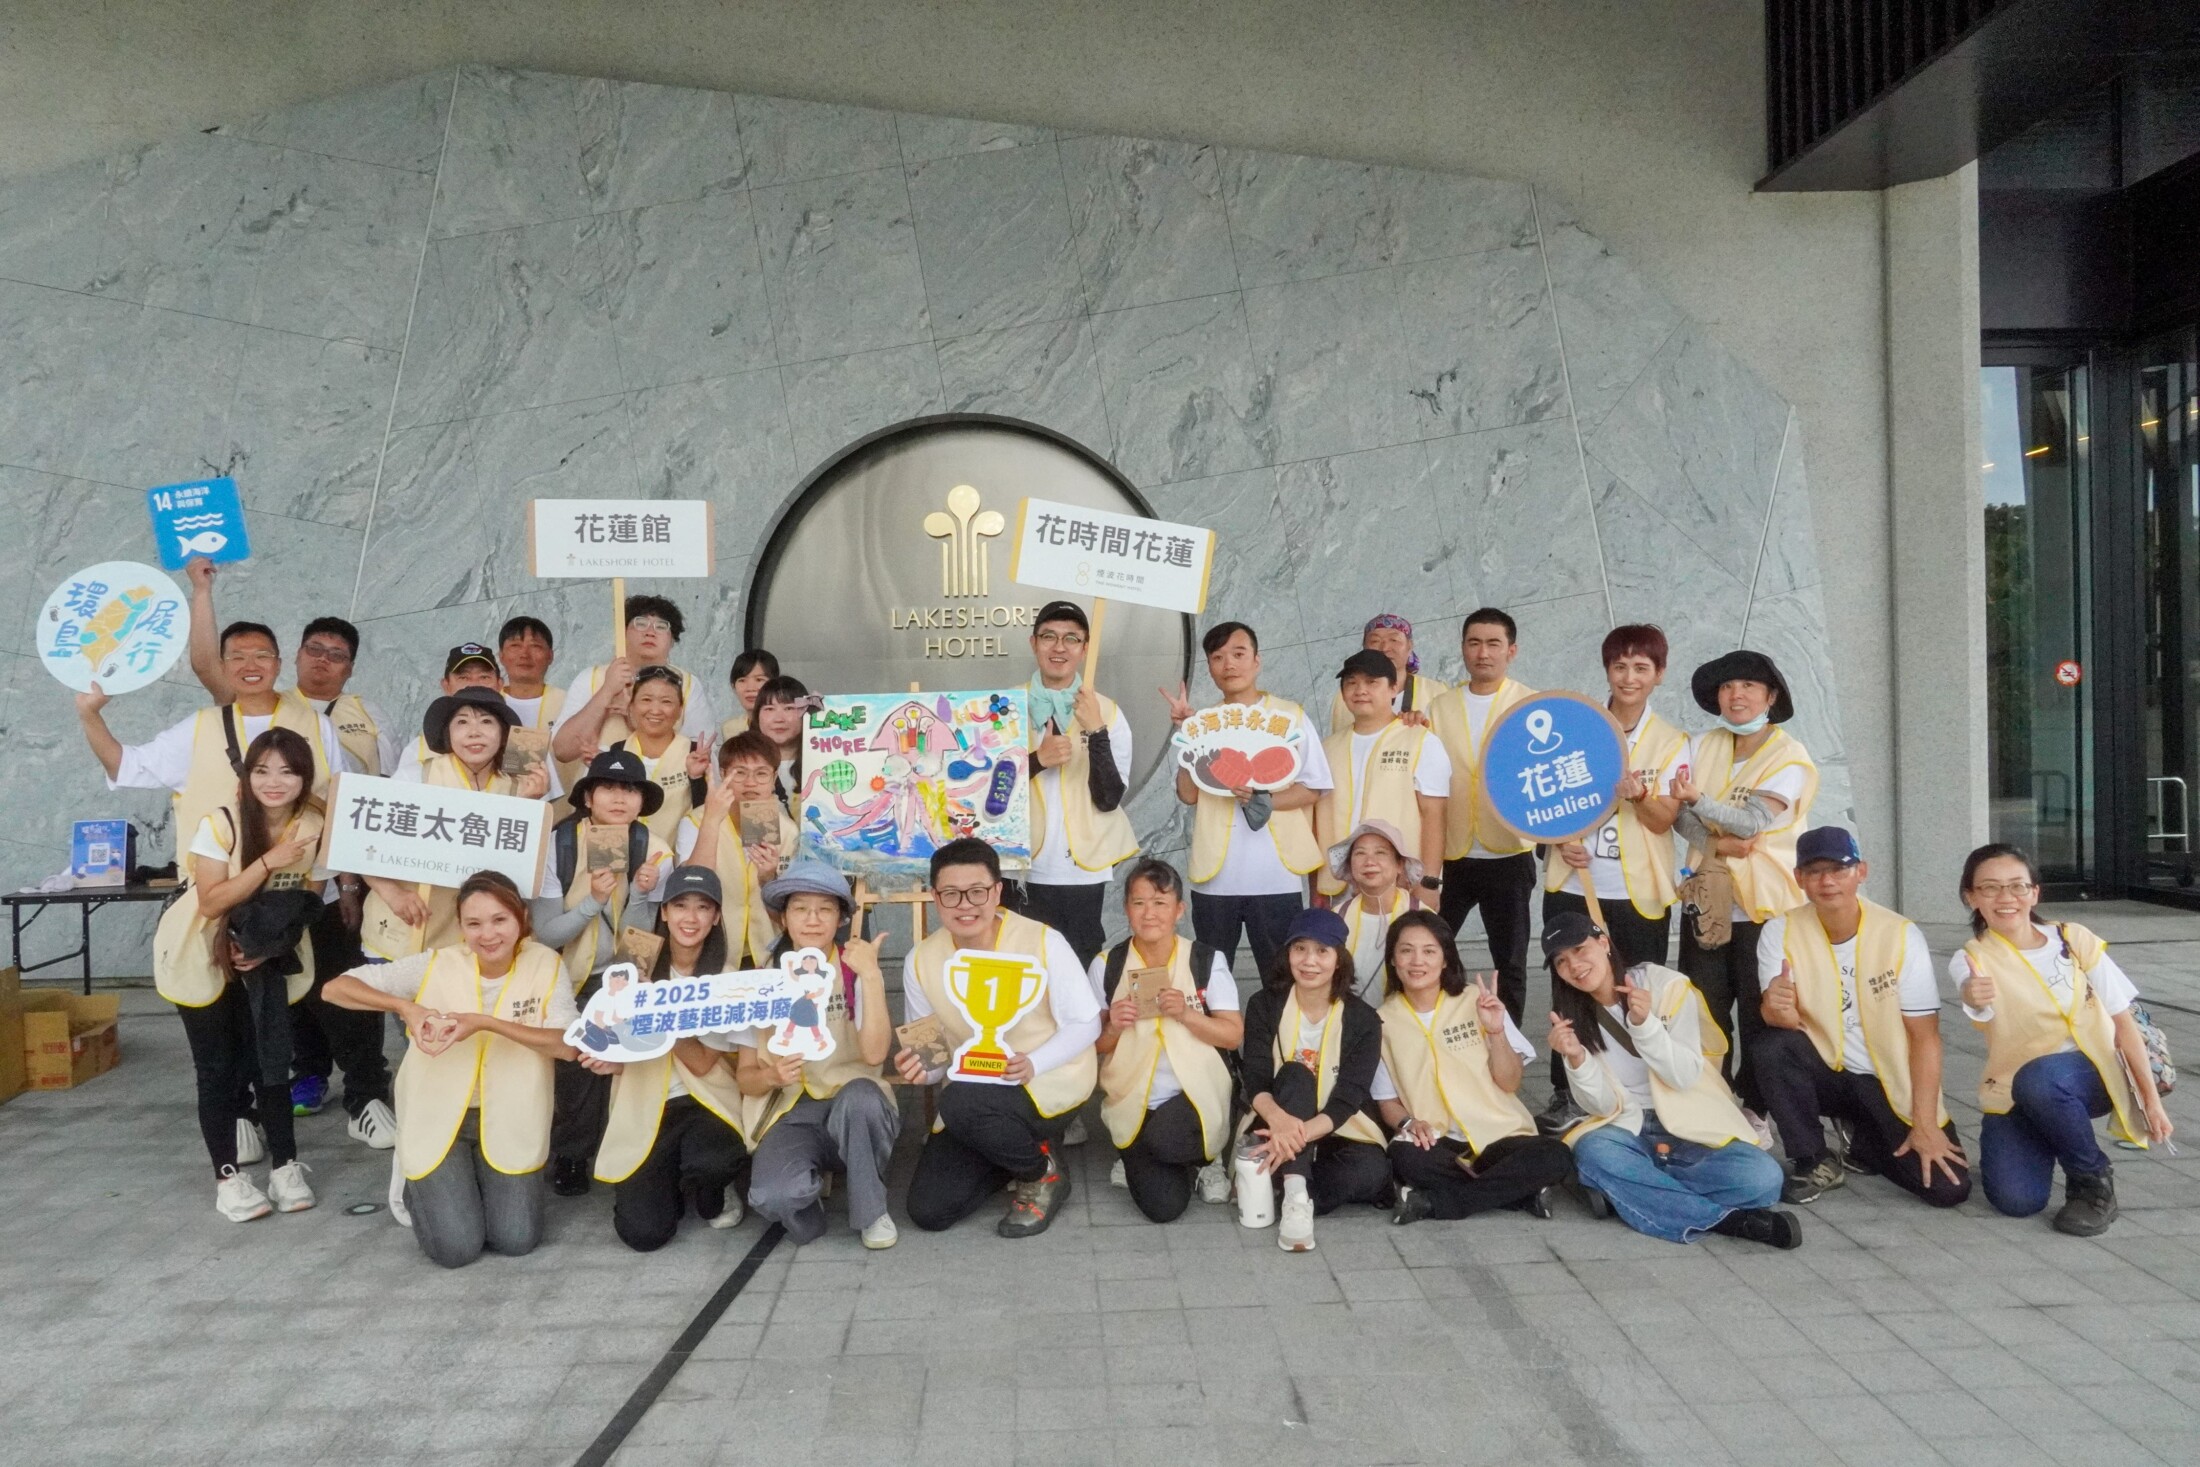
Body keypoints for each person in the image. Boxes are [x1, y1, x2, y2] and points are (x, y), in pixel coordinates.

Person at [173, 558, 397, 1128]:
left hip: (319, 882)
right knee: (277, 994)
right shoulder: (255, 703)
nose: (324, 660)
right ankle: (299, 1081)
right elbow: (205, 662)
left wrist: (351, 883)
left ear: (351, 666)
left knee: (341, 987)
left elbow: (352, 803)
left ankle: (367, 1096)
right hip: (250, 888)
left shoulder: (361, 716)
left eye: (337, 654)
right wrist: (201, 590)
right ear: (291, 657)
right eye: (313, 650)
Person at [323, 872, 577, 1268]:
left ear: (522, 918)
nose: (487, 934)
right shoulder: (436, 962)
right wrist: (405, 1007)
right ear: (460, 926)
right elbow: (334, 989)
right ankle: (420, 1184)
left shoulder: (546, 964)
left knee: (516, 1240)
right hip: (438, 1120)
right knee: (457, 1249)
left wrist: (486, 1023)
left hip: (511, 1120)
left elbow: (566, 1045)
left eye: (499, 920)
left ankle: (463, 1186)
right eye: (474, 923)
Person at [1542, 910, 1800, 1248]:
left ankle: (1633, 1188)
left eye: (1580, 950)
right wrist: (1576, 1059)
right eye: (1561, 961)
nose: (1574, 966)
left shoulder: (1666, 986)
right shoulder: (1570, 1014)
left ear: (1603, 943)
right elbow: (1601, 1106)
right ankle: (1732, 1222)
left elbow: (1683, 1075)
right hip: (1625, 1129)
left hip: (1689, 1125)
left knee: (1763, 1178)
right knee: (1593, 1152)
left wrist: (1645, 1025)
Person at [151, 727, 326, 1221]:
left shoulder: (314, 824)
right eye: (262, 770)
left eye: (288, 771)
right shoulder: (221, 822)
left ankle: (285, 1167)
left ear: (304, 778)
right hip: (200, 953)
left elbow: (307, 899)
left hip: (266, 957)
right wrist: (269, 861)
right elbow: (212, 901)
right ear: (246, 776)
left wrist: (269, 948)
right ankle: (227, 1178)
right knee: (217, 1070)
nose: (274, 782)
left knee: (271, 1062)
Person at [1953, 844, 2175, 1234]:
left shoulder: (2074, 940)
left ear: (2034, 893)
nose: (2006, 897)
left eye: (2017, 886)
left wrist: (2151, 1102)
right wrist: (1972, 994)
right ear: (1971, 897)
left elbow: (2123, 1023)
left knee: (2041, 1080)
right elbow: (1972, 992)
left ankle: (2091, 1181)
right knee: (2016, 1200)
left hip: (2092, 1073)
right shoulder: (1972, 958)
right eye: (1990, 888)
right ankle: (2050, 1130)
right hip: (2014, 1087)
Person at [1755, 828, 1970, 1208]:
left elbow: (1925, 1037)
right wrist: (1774, 1007)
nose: (1827, 881)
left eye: (1839, 869)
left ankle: (1865, 1142)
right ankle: (1814, 1159)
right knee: (1771, 1047)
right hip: (1827, 1070)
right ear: (1798, 878)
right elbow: (1779, 1020)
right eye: (1814, 871)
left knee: (1947, 1189)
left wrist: (1924, 1125)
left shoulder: (1900, 935)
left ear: (1861, 872)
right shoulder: (1780, 932)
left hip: (1887, 1080)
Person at [895, 838, 1098, 1238]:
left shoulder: (1043, 941)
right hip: (974, 1093)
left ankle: (1041, 1174)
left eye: (977, 891)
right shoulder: (920, 960)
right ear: (935, 897)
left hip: (1045, 1079)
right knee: (929, 1210)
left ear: (997, 891)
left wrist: (1034, 1063)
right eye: (951, 894)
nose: (965, 905)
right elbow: (932, 1057)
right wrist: (920, 1068)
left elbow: (1086, 1023)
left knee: (960, 1100)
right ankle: (1016, 1153)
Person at [1538, 623, 1687, 1126]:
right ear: (1606, 670)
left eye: (1641, 667)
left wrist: (1640, 795)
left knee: (1636, 988)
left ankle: (1645, 1091)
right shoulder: (1576, 728)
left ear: (1659, 674)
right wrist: (1557, 840)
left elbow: (1665, 820)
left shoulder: (1671, 742)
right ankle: (1568, 1091)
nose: (1629, 677)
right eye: (1619, 666)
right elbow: (1539, 799)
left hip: (1637, 891)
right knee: (1570, 988)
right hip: (1572, 886)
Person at [77, 615, 340, 875]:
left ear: (278, 664)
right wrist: (90, 714)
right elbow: (123, 765)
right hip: (213, 890)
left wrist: (347, 884)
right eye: (237, 657)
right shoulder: (200, 726)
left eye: (262, 656)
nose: (250, 666)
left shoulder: (317, 725)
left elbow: (343, 804)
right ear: (223, 667)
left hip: (299, 886)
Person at [1672, 651, 1819, 1107]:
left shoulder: (1789, 756)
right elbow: (1677, 815)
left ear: (1770, 697)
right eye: (1727, 686)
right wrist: (1716, 843)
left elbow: (1752, 822)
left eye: (1749, 686)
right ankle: (1712, 1103)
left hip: (1765, 907)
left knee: (1760, 1013)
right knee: (1703, 1010)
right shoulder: (1700, 744)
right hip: (1707, 902)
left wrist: (1699, 800)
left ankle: (1756, 1108)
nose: (1736, 695)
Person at [586, 866, 754, 1250]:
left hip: (704, 1103)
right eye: (680, 906)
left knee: (713, 1159)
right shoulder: (634, 965)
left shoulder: (725, 978)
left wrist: (657, 1013)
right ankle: (671, 1184)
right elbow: (615, 1038)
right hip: (643, 1104)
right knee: (644, 1234)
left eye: (703, 907)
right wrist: (610, 1059)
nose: (690, 918)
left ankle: (713, 1189)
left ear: (716, 917)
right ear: (663, 912)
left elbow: (702, 1062)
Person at [1372, 912, 1574, 1224]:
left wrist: (1496, 1031)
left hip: (1500, 1134)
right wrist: (1409, 1123)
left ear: (1445, 960)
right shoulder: (1381, 1022)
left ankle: (1434, 1203)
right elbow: (1387, 1101)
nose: (1417, 961)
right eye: (1406, 950)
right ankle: (1519, 1192)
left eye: (1429, 951)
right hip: (1438, 1142)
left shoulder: (1478, 1000)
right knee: (1403, 1157)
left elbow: (1510, 1082)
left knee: (1555, 1155)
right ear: (1393, 959)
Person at [740, 862, 901, 1248]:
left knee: (860, 1098)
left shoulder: (854, 968)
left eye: (825, 909)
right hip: (791, 1110)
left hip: (854, 1106)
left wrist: (872, 976)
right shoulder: (761, 978)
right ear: (783, 918)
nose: (812, 919)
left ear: (841, 918)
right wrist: (771, 1076)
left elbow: (876, 1053)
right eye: (800, 908)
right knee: (772, 1197)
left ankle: (871, 1212)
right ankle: (810, 1191)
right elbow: (745, 1077)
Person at [537, 750, 674, 1193]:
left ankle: (633, 1154)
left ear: (642, 801)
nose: (619, 798)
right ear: (588, 797)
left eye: (630, 790)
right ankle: (573, 1154)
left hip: (629, 973)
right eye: (608, 789)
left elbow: (645, 937)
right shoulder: (558, 845)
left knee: (633, 1053)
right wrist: (594, 901)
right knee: (578, 1060)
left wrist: (640, 893)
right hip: (566, 975)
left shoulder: (654, 849)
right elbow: (546, 935)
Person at [1162, 621, 1329, 977]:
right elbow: (1188, 794)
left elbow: (1313, 787)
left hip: (1276, 874)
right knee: (1210, 977)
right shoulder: (1204, 722)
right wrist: (1189, 735)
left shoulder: (1290, 716)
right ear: (1210, 667)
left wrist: (1262, 798)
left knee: (1281, 978)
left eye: (1239, 654)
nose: (1229, 664)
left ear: (1257, 660)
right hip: (1215, 874)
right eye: (1218, 657)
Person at [1092, 859, 1242, 1222]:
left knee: (1163, 1140)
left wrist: (1188, 1014)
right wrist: (1113, 1027)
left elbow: (1233, 1035)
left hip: (1196, 1095)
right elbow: (1093, 1046)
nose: (1149, 913)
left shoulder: (1205, 960)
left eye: (1160, 902)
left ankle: (1207, 1160)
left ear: (1179, 910)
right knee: (1164, 1208)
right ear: (1126, 908)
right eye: (1139, 902)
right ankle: (1165, 1161)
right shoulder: (1107, 965)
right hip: (1133, 1098)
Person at [360, 687, 551, 961]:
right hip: (403, 927)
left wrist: (529, 807)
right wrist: (392, 894)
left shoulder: (518, 787)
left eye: (486, 722)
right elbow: (363, 844)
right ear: (447, 733)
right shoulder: (415, 776)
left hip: (477, 941)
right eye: (462, 722)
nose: (474, 732)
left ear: (504, 734)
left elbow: (523, 871)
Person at [1238, 908, 1389, 1250]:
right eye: (1300, 949)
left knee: (1372, 1171)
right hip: (1275, 1115)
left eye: (1322, 951)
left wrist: (1293, 1135)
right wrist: (1280, 1121)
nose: (1309, 961)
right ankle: (1295, 1195)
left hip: (1333, 1126)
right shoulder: (1264, 1005)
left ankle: (1281, 1183)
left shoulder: (1364, 1020)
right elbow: (1256, 1078)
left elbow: (1348, 1098)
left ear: (1339, 960)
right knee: (1296, 1074)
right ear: (1288, 954)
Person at [1429, 608, 1537, 1023]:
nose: (1483, 653)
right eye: (1474, 643)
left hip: (1509, 852)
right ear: (1462, 648)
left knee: (1510, 962)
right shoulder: (1439, 707)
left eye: (1493, 644)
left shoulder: (1530, 704)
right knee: (1429, 949)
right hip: (1451, 853)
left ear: (1512, 650)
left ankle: (1511, 1044)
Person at [1020, 600, 1136, 966]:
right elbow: (982, 791)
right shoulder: (1003, 707)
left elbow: (1109, 798)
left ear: (1085, 649)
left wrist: (1096, 731)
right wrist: (1036, 761)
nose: (1059, 647)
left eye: (1071, 638)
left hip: (1082, 868)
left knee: (1081, 966)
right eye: (1049, 636)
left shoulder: (1107, 712)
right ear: (1033, 643)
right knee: (1024, 967)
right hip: (1019, 867)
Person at [1314, 650, 1449, 902]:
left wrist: (1429, 882)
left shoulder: (1420, 741)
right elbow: (1317, 822)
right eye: (1351, 683)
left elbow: (1435, 815)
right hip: (1340, 886)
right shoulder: (1327, 749)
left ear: (1394, 688)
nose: (1360, 690)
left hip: (1401, 885)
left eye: (1372, 682)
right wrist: (1316, 891)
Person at [551, 595, 718, 768]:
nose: (650, 632)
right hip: (600, 784)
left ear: (672, 640)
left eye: (661, 626)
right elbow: (563, 750)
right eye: (640, 623)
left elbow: (702, 753)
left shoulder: (687, 684)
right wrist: (607, 692)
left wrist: (635, 716)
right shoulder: (591, 678)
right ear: (622, 632)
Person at [678, 730, 797, 963]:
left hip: (767, 955)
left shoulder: (788, 831)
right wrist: (712, 820)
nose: (750, 783)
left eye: (761, 773)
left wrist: (768, 878)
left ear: (774, 778)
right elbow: (691, 886)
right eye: (740, 773)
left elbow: (791, 911)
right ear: (723, 774)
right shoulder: (695, 821)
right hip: (711, 953)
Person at [606, 663, 709, 848]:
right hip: (625, 858)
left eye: (666, 702)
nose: (655, 710)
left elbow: (708, 816)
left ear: (680, 709)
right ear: (631, 705)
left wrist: (697, 779)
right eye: (646, 700)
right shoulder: (616, 753)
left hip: (682, 860)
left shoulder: (696, 753)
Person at [1326, 820, 1417, 1003]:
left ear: (1400, 864)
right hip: (1350, 1018)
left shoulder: (1421, 916)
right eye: (1360, 853)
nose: (1369, 862)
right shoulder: (1336, 917)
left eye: (1380, 852)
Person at [1326, 613, 1450, 732]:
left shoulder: (1437, 692)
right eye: (1375, 641)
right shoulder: (1348, 697)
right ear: (1364, 648)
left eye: (1394, 640)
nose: (1385, 648)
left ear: (1409, 646)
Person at [752, 674, 814, 811]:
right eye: (769, 709)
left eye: (789, 708)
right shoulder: (744, 764)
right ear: (757, 716)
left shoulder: (822, 762)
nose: (779, 719)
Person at [723, 648, 780, 739]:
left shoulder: (783, 725)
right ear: (733, 686)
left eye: (759, 680)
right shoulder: (731, 729)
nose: (750, 688)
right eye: (742, 680)